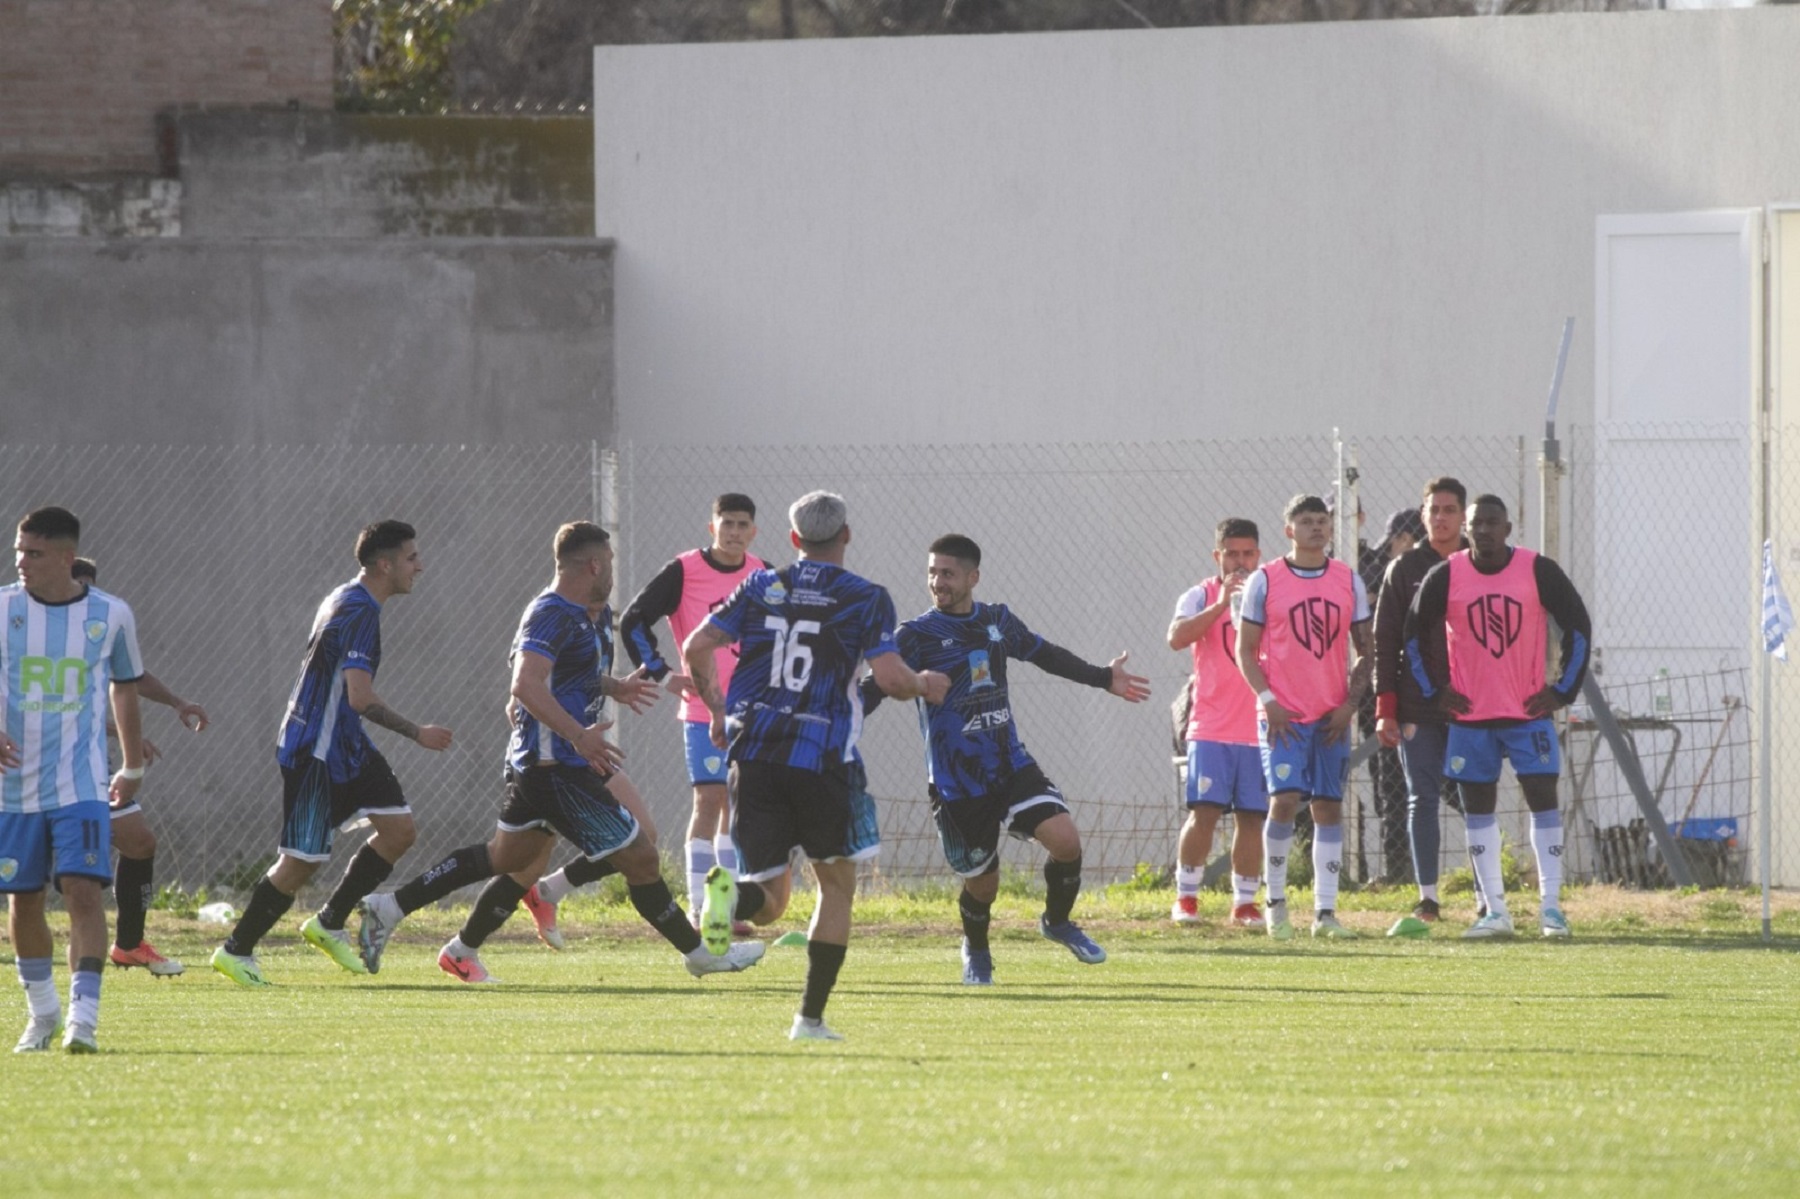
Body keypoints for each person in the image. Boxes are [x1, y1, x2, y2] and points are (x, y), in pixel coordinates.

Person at [357, 521, 766, 982]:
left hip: (542, 765)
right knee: (641, 857)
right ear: (593, 564)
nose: (612, 569)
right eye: (608, 561)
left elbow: (564, 677)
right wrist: (578, 734)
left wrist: (615, 686)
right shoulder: (550, 612)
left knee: (503, 858)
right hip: (556, 766)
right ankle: (701, 955)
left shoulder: (580, 614)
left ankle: (389, 908)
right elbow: (524, 685)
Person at [682, 491, 948, 1041]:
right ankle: (809, 1019)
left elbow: (695, 645)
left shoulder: (761, 585)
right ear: (846, 536)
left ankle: (729, 895)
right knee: (835, 888)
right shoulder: (864, 597)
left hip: (753, 755)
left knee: (772, 903)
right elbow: (895, 681)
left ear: (794, 539)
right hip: (822, 758)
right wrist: (926, 683)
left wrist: (717, 710)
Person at [874, 534, 1150, 985]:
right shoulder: (916, 635)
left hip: (1010, 763)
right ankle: (977, 950)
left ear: (972, 577)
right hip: (956, 780)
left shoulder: (997, 621)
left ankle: (1057, 921)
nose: (937, 582)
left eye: (947, 573)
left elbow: (1045, 655)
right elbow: (877, 684)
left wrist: (1103, 678)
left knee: (1066, 840)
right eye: (932, 572)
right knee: (984, 884)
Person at [210, 521, 454, 987]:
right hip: (316, 749)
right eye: (410, 558)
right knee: (301, 862)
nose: (419, 566)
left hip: (346, 745)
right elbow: (360, 697)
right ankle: (235, 950)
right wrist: (416, 732)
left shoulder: (345, 595)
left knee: (399, 829)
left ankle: (329, 921)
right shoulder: (360, 611)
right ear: (384, 565)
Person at [522, 493, 766, 948]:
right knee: (709, 801)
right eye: (726, 523)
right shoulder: (684, 570)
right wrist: (662, 674)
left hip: (752, 712)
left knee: (737, 805)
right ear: (711, 527)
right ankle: (698, 909)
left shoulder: (763, 574)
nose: (734, 532)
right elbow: (635, 619)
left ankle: (725, 908)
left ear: (753, 531)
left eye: (742, 524)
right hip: (702, 709)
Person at [1406, 494, 1591, 939]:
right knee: (1478, 811)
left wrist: (1562, 690)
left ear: (1508, 528)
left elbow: (1579, 626)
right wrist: (1435, 692)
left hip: (1528, 714)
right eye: (1477, 524)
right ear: (1466, 530)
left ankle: (1551, 909)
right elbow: (1413, 636)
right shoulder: (1446, 575)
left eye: (1493, 523)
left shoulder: (1537, 569)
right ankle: (1494, 911)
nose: (1484, 530)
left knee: (1543, 801)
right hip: (1471, 718)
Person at [2, 507, 146, 1052]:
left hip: (80, 784)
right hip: (13, 789)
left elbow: (125, 688)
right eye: (18, 551)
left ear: (66, 557)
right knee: (23, 902)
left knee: (84, 892)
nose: (21, 562)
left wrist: (131, 767)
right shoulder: (2, 609)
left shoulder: (110, 615)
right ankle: (42, 1013)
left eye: (33, 553)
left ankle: (83, 1020)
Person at [1235, 494, 1372, 940]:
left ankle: (1325, 913)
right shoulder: (1265, 580)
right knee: (1284, 800)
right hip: (1283, 717)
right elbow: (1246, 651)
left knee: (1328, 806)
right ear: (1289, 530)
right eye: (1306, 521)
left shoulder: (1347, 580)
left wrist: (1349, 705)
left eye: (1322, 520)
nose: (1316, 527)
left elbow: (1367, 651)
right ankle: (1275, 904)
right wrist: (1268, 699)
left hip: (1331, 717)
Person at [69, 557, 210, 978]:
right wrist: (123, 736)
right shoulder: (36, 632)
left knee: (139, 842)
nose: (85, 593)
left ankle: (129, 944)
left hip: (89, 766)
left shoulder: (98, 629)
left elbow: (129, 678)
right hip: (41, 766)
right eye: (78, 584)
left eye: (90, 586)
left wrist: (177, 703)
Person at [1373, 478, 1473, 937]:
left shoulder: (1482, 563)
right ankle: (1428, 897)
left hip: (1474, 707)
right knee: (1422, 798)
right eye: (1434, 509)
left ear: (1464, 515)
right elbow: (1385, 642)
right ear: (1423, 512)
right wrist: (1386, 707)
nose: (1440, 517)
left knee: (1477, 799)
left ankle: (1487, 896)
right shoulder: (1404, 568)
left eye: (1450, 509)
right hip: (1418, 706)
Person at [1167, 518, 1266, 928]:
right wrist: (1222, 604)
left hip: (1259, 727)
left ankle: (1245, 902)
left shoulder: (1271, 591)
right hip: (1210, 728)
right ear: (1218, 556)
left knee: (1252, 818)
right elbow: (1176, 637)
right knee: (1204, 813)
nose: (1240, 563)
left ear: (1258, 554)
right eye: (1232, 554)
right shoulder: (1200, 594)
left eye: (1247, 554)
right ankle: (1186, 898)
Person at [1363, 511, 1423, 888]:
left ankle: (1407, 867)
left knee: (1429, 781)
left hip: (1417, 687)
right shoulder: (1374, 566)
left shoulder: (1424, 568)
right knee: (1387, 784)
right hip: (1378, 688)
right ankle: (1397, 869)